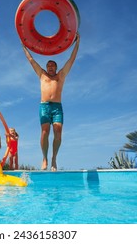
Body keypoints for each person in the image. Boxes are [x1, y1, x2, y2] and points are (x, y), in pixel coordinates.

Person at [22, 33, 80, 171]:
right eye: (48, 66)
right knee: (44, 132)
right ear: (46, 67)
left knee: (58, 131)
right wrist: (23, 45)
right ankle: (44, 158)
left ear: (56, 67)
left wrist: (77, 43)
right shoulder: (42, 75)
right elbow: (31, 59)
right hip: (44, 106)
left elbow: (71, 60)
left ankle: (54, 158)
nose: (50, 68)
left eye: (53, 65)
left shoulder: (61, 75)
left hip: (57, 107)